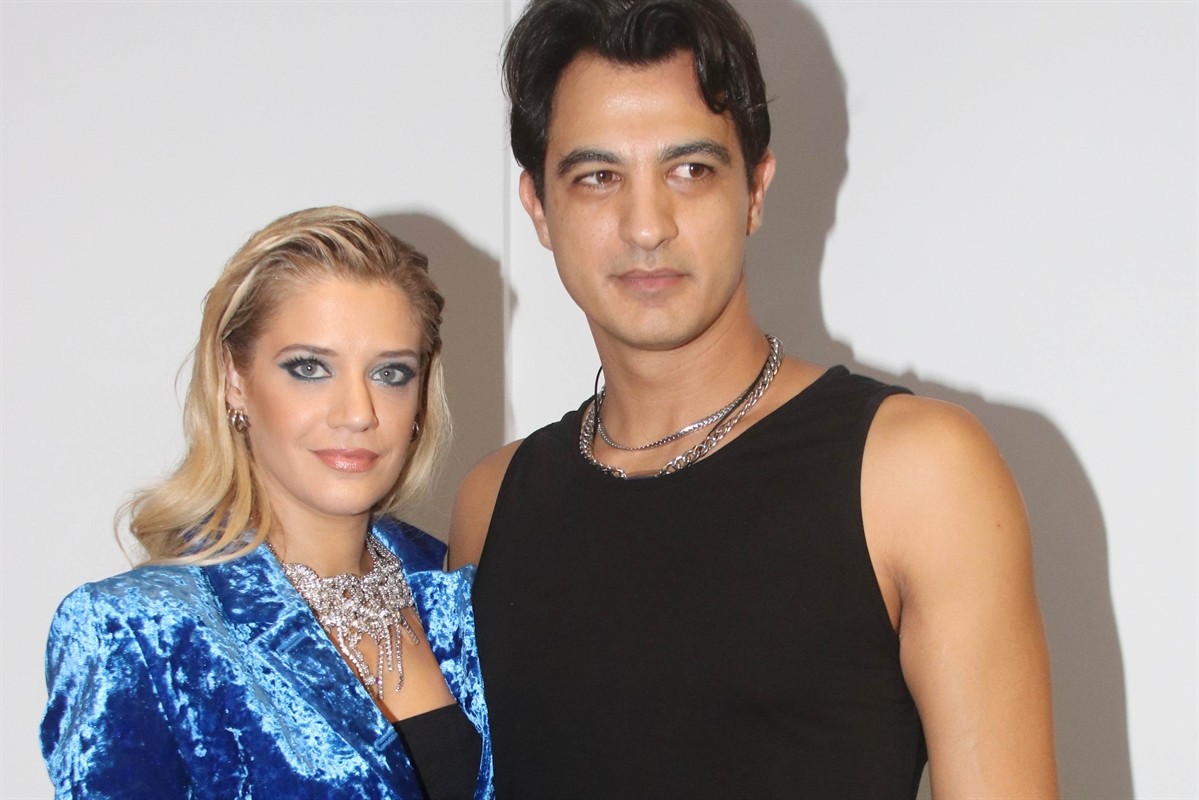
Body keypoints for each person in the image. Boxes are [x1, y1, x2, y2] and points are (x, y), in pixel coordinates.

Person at [449, 1, 1057, 797]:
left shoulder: (914, 473)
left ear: (755, 190)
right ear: (537, 206)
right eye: (598, 177)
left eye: (690, 170)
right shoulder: (492, 505)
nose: (645, 226)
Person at [41, 208, 492, 800]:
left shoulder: (461, 586)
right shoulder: (141, 633)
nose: (358, 413)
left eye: (390, 373)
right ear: (235, 379)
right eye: (310, 368)